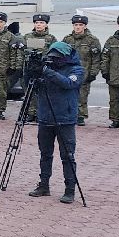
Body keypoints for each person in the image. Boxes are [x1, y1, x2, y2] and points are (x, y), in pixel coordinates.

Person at [26, 41, 85, 204]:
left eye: (57, 57)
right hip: (45, 117)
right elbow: (30, 87)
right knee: (45, 154)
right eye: (52, 56)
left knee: (68, 155)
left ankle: (70, 190)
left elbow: (68, 83)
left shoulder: (76, 69)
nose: (54, 60)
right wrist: (31, 71)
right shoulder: (47, 68)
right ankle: (44, 185)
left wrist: (47, 71)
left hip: (65, 119)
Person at [61, 14, 102, 127]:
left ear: (85, 26)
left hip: (84, 73)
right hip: (68, 73)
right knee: (67, 95)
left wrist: (93, 73)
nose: (78, 27)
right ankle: (68, 115)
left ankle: (80, 116)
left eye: (80, 25)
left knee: (82, 96)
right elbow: (62, 56)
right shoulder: (67, 39)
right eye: (76, 25)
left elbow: (96, 59)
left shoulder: (92, 40)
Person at [21, 14, 58, 121]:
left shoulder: (51, 39)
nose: (39, 25)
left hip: (43, 70)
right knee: (29, 92)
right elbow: (21, 52)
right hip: (29, 68)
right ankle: (30, 113)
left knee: (42, 93)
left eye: (41, 23)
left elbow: (54, 54)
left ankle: (40, 114)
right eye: (37, 23)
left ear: (46, 24)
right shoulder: (27, 37)